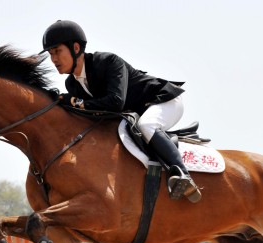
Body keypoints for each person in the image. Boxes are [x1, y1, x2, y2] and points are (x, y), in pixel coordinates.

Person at [41, 20, 202, 203]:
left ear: (76, 47)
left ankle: (183, 174)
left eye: (57, 51)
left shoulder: (108, 62)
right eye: (50, 54)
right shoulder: (71, 83)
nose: (53, 59)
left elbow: (115, 102)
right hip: (139, 111)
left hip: (164, 101)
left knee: (147, 125)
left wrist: (76, 102)